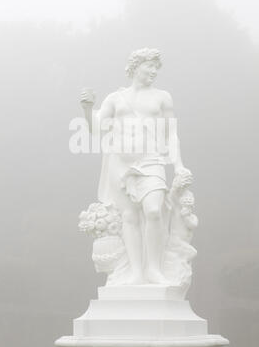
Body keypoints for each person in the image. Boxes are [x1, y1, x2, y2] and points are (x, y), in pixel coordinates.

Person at [80, 48, 189, 285]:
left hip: (151, 161)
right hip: (119, 165)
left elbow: (171, 134)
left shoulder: (162, 97)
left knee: (153, 211)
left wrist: (178, 165)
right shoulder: (115, 99)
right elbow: (95, 129)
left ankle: (153, 269)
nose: (153, 71)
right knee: (129, 216)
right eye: (149, 66)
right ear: (136, 66)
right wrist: (88, 109)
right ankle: (137, 272)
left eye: (156, 68)